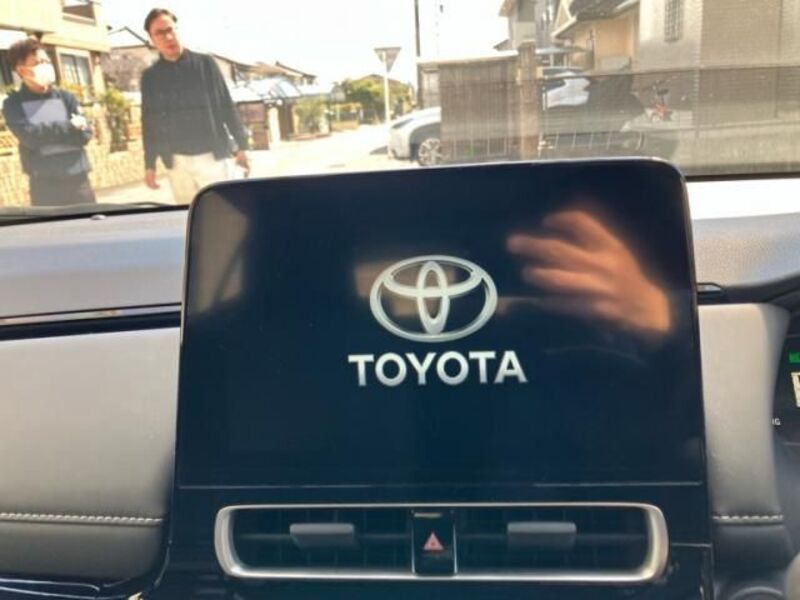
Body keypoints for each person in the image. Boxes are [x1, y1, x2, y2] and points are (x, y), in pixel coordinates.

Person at [141, 8, 251, 204]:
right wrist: (150, 164)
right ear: (151, 39)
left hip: (213, 156)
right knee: (188, 214)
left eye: (170, 30)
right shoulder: (151, 77)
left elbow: (226, 105)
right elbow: (149, 123)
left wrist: (242, 146)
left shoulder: (205, 64)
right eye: (159, 33)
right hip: (176, 162)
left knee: (224, 211)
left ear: (177, 29)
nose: (168, 37)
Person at [2, 38, 95, 207]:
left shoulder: (66, 98)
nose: (45, 66)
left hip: (78, 180)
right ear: (22, 70)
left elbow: (85, 134)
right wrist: (70, 127)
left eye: (47, 61)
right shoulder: (13, 104)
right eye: (38, 63)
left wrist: (47, 134)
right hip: (44, 184)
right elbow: (29, 136)